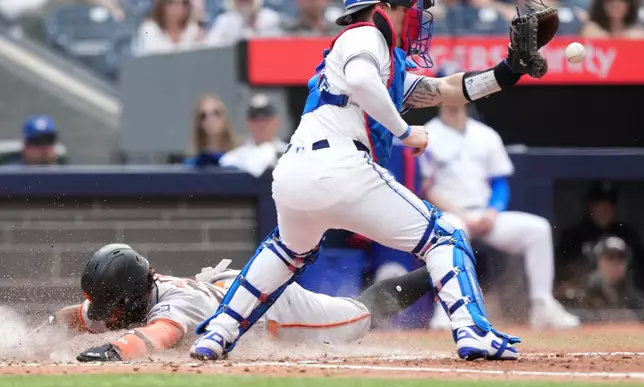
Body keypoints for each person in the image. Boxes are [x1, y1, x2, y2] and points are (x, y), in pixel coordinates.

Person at [190, 0, 554, 362]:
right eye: (409, 6)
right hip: (341, 164)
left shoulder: (380, 56)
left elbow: (445, 90)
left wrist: (507, 71)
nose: (415, 15)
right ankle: (473, 332)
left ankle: (218, 332)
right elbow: (362, 81)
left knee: (286, 251)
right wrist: (405, 130)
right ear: (382, 6)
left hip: (295, 172)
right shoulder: (365, 35)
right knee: (445, 236)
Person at [33, 243, 435, 362]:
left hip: (274, 309)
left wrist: (114, 351)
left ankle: (441, 265)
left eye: (115, 308)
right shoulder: (129, 296)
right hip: (230, 291)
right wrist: (31, 336)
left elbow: (158, 335)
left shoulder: (175, 305)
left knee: (360, 315)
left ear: (133, 296)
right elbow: (75, 317)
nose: (110, 317)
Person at [418, 63, 579, 331]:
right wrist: (461, 215)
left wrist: (493, 211)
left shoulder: (485, 135)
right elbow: (426, 189)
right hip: (450, 215)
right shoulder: (427, 133)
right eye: (446, 87)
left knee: (537, 229)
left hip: (485, 214)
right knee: (450, 231)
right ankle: (445, 311)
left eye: (458, 88)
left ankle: (543, 306)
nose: (452, 94)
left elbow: (500, 183)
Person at [556, 181, 644, 291]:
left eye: (609, 206)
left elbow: (639, 271)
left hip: (624, 296)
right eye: (600, 205)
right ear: (590, 207)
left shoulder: (628, 234)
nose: (605, 210)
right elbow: (563, 272)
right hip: (585, 297)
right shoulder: (573, 235)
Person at [219, 93, 287, 177]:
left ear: (276, 121)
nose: (261, 124)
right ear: (248, 123)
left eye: (266, 120)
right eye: (256, 120)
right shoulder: (234, 158)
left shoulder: (289, 153)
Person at [580, 236, 644, 316]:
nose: (615, 263)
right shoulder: (583, 291)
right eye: (610, 257)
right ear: (598, 262)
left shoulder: (635, 297)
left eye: (621, 258)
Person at [183, 94, 239, 168]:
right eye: (204, 116)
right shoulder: (191, 165)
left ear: (225, 118)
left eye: (216, 113)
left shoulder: (239, 160)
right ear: (199, 124)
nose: (210, 119)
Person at [133, 0, 205, 56]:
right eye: (171, 2)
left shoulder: (193, 30)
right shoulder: (148, 30)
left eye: (183, 3)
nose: (177, 8)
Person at [205, 0, 282, 47]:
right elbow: (210, 48)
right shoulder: (225, 21)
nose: (244, 3)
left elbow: (276, 48)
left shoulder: (270, 19)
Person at [580, 0, 644, 38]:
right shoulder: (591, 29)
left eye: (621, 1)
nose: (615, 4)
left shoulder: (637, 34)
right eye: (610, 1)